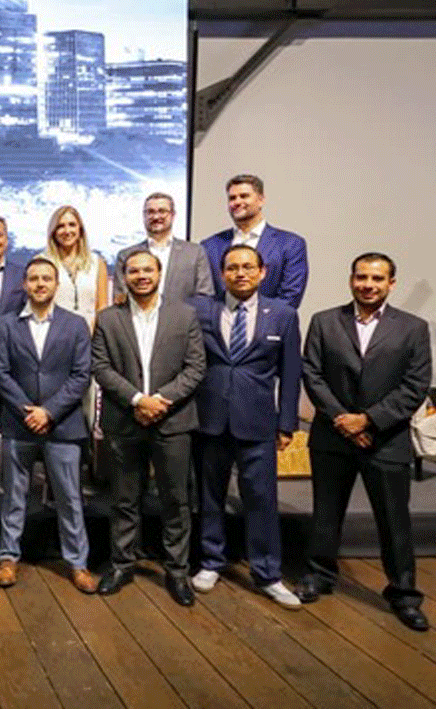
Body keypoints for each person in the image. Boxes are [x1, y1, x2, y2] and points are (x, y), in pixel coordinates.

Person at [297, 253, 432, 632]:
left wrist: (369, 419)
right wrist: (343, 419)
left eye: (377, 278)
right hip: (333, 436)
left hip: (385, 439)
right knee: (326, 513)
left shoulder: (413, 328)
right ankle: (320, 575)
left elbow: (415, 385)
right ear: (351, 279)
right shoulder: (324, 321)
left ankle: (404, 594)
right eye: (361, 277)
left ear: (391, 283)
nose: (368, 285)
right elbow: (312, 374)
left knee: (394, 520)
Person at [188, 245, 302, 608]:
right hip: (209, 420)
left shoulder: (282, 315)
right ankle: (210, 561)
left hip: (258, 422)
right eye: (233, 267)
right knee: (210, 496)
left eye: (248, 267)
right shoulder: (200, 310)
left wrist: (287, 423)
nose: (240, 273)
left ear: (262, 272)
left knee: (261, 499)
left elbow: (291, 373)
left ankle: (267, 573)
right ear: (222, 274)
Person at [91, 250, 204, 605]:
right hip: (125, 420)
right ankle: (122, 565)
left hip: (173, 420)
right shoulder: (108, 318)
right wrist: (138, 400)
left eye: (148, 270)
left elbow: (196, 367)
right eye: (134, 271)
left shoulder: (185, 315)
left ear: (159, 273)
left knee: (176, 500)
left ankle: (177, 571)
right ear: (124, 276)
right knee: (124, 499)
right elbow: (101, 367)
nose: (141, 276)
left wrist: (160, 401)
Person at [0, 257, 96, 593]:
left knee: (69, 498)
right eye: (33, 278)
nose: (39, 284)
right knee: (13, 496)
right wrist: (28, 411)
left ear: (56, 284)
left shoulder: (76, 324)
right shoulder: (6, 325)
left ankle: (78, 563)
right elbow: (0, 373)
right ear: (24, 284)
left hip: (62, 425)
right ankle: (8, 558)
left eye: (46, 278)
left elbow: (81, 375)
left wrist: (48, 412)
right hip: (18, 424)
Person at [201, 174, 309, 308]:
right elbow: (204, 294)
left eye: (244, 196)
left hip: (271, 320)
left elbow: (290, 296)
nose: (237, 202)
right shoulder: (209, 246)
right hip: (220, 320)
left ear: (261, 200)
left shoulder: (290, 244)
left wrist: (256, 319)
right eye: (232, 198)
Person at [115, 193, 212, 304]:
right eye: (150, 212)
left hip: (184, 315)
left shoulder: (195, 253)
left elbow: (204, 297)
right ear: (144, 216)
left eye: (162, 211)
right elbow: (121, 299)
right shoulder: (126, 255)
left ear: (172, 215)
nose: (156, 217)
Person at [40, 206, 108, 328]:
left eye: (72, 225)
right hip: (53, 333)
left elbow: (102, 308)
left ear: (80, 229)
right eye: (60, 226)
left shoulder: (97, 262)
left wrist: (92, 333)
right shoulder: (42, 261)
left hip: (90, 334)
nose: (67, 231)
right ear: (53, 231)